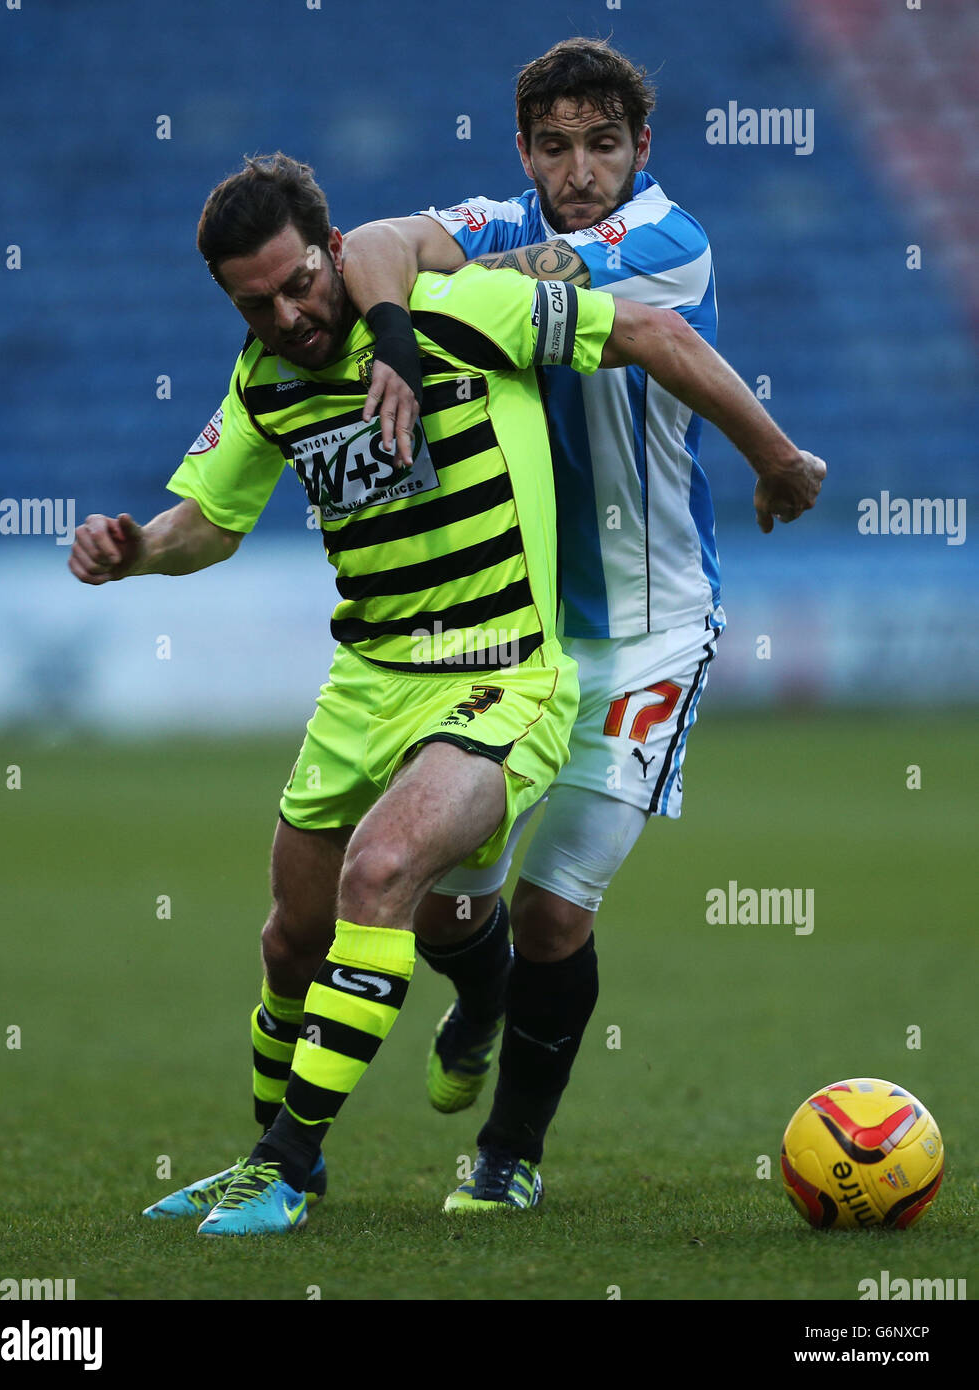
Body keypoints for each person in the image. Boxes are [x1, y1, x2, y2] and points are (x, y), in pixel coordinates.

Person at [76, 140, 821, 1235]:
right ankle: (284, 1148)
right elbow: (211, 523)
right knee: (290, 937)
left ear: (335, 251)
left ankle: (287, 1164)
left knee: (380, 874)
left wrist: (773, 455)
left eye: (296, 284)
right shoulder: (263, 380)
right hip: (366, 679)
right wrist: (135, 545)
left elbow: (656, 332)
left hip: (500, 671)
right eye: (255, 303)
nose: (285, 317)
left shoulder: (457, 311)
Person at [338, 37, 827, 1212]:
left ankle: (509, 1154)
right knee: (455, 897)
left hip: (654, 624)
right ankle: (480, 990)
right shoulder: (501, 213)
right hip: (522, 627)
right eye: (553, 146)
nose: (578, 168)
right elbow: (365, 247)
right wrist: (400, 326)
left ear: (638, 149)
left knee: (554, 908)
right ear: (522, 149)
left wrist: (776, 459)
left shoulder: (667, 240)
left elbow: (568, 293)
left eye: (601, 144)